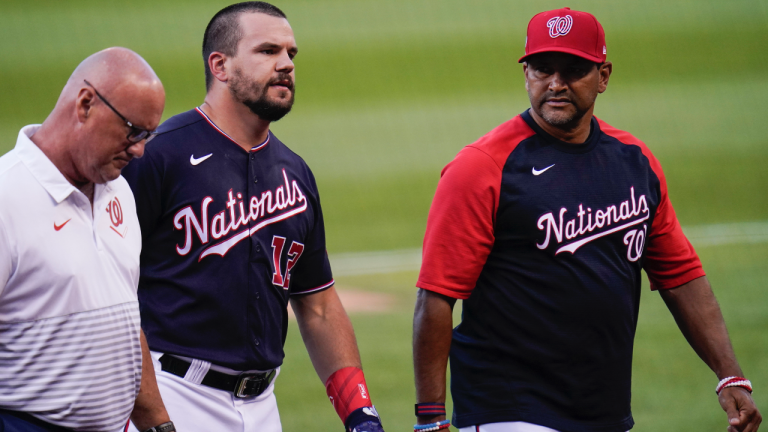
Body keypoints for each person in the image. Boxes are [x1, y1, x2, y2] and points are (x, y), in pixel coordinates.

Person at [412, 7, 762, 432]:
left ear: (603, 76)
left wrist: (729, 373)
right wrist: (430, 418)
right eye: (542, 69)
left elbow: (680, 275)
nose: (555, 84)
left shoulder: (635, 162)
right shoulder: (482, 167)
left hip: (604, 412)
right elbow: (436, 296)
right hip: (509, 409)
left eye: (574, 69)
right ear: (526, 74)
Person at [121, 3, 384, 432]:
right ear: (220, 66)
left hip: (263, 407)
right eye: (267, 51)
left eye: (291, 54)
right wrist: (150, 414)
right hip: (174, 392)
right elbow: (109, 289)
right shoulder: (159, 156)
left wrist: (359, 411)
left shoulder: (294, 174)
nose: (285, 65)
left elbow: (317, 304)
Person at [0, 48, 174, 432]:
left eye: (149, 135)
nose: (140, 149)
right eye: (133, 131)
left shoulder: (118, 192)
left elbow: (124, 321)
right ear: (85, 104)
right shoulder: (6, 197)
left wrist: (160, 426)